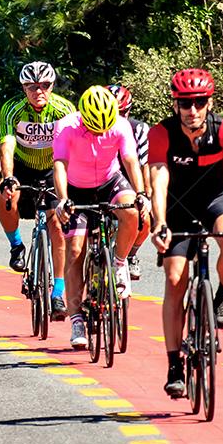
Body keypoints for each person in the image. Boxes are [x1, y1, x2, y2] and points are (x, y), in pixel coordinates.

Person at [149, 68, 223, 399]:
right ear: (176, 105)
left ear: (209, 103)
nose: (192, 109)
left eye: (199, 102)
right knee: (174, 280)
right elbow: (158, 181)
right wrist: (159, 222)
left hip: (215, 200)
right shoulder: (162, 133)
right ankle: (174, 366)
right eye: (185, 103)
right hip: (177, 205)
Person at [53, 86, 150, 349]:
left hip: (110, 182)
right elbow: (60, 164)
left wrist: (141, 193)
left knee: (132, 211)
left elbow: (130, 160)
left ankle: (119, 263)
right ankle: (76, 320)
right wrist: (63, 199)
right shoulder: (66, 126)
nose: (98, 134)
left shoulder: (120, 125)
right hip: (76, 188)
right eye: (93, 128)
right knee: (75, 250)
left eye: (103, 128)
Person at [0, 61, 77, 318]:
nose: (38, 91)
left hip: (53, 168)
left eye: (44, 85)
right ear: (24, 88)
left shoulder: (65, 109)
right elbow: (7, 146)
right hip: (22, 165)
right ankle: (16, 245)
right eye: (32, 86)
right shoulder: (12, 109)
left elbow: (72, 149)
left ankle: (58, 293)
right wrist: (8, 177)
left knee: (57, 227)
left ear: (52, 86)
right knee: (5, 192)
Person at [108, 83, 151, 281]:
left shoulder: (139, 129)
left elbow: (144, 165)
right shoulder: (92, 128)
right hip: (102, 178)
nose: (117, 119)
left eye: (122, 113)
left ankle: (131, 254)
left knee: (145, 220)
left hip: (130, 179)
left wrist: (146, 196)